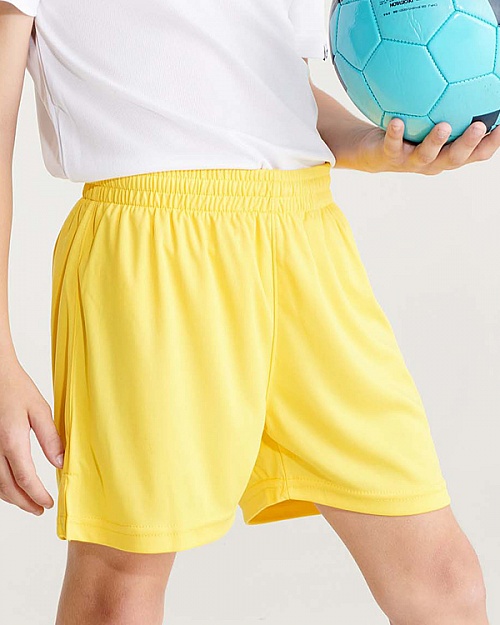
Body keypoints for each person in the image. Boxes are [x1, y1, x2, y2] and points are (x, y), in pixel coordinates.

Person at [0, 1, 496, 624]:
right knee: (119, 586)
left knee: (444, 580)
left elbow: (272, 93)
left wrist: (374, 145)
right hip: (152, 248)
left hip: (306, 239)